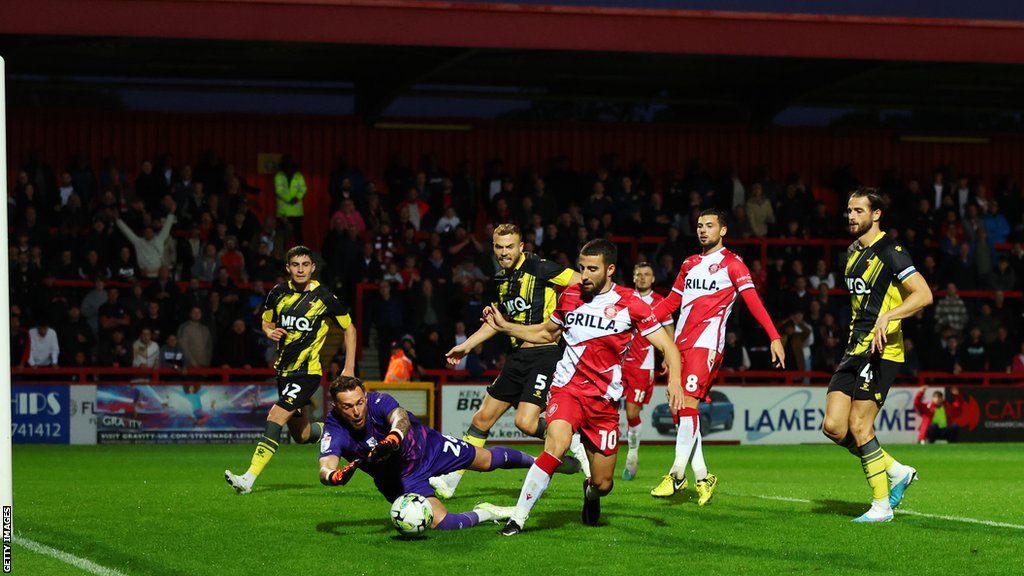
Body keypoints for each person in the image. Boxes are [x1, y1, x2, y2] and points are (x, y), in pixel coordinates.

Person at [484, 239, 681, 535]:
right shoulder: (570, 297)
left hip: (603, 402)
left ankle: (589, 493)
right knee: (556, 446)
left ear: (610, 269)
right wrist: (506, 327)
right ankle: (518, 519)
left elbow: (668, 346)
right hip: (567, 389)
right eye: (581, 268)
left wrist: (675, 380)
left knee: (603, 484)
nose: (584, 275)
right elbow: (545, 333)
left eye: (592, 269)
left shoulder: (630, 304)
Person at [431, 224, 582, 499]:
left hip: (545, 354)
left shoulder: (542, 268)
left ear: (521, 246)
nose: (504, 252)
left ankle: (571, 438)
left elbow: (583, 282)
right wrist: (465, 346)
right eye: (499, 247)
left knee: (525, 422)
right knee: (482, 418)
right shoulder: (501, 279)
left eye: (509, 246)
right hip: (516, 358)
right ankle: (450, 481)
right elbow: (497, 324)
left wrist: (566, 314)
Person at [319, 376, 578, 530]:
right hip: (401, 480)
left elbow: (399, 417)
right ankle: (487, 512)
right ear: (336, 407)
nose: (356, 411)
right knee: (443, 525)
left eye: (359, 402)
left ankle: (541, 462)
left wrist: (394, 436)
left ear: (365, 395)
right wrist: (333, 476)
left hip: (429, 447)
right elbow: (326, 465)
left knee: (486, 460)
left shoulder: (377, 401)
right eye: (348, 406)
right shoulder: (335, 428)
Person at [650, 209, 785, 504]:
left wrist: (774, 336)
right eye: (699, 226)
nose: (702, 230)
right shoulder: (689, 263)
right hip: (679, 346)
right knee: (682, 413)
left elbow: (753, 302)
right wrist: (641, 322)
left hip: (707, 345)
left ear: (722, 230)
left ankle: (675, 475)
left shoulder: (733, 264)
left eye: (709, 226)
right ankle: (702, 475)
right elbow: (673, 301)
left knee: (687, 405)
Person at [821, 188, 933, 523]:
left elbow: (924, 295)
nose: (851, 216)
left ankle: (881, 506)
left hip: (882, 350)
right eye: (849, 210)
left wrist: (890, 315)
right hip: (854, 349)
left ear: (876, 214)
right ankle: (896, 470)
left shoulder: (892, 251)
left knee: (859, 423)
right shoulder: (853, 254)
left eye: (858, 210)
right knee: (834, 427)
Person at [225, 245, 358, 495]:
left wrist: (348, 367)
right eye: (295, 265)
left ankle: (248, 478)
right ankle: (343, 433)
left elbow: (350, 329)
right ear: (288, 268)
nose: (300, 269)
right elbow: (266, 321)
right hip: (284, 373)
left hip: (307, 373)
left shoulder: (324, 297)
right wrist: (268, 331)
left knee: (275, 415)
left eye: (305, 264)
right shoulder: (277, 293)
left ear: (312, 267)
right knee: (303, 434)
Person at [620, 262, 665, 481]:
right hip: (617, 363)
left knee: (631, 413)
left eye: (647, 274)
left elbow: (668, 330)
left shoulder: (659, 303)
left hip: (641, 366)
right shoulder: (626, 298)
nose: (643, 278)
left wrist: (668, 355)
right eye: (639, 274)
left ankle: (632, 453)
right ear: (634, 277)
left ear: (653, 278)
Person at [274, 155, 306, 244]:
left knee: (297, 235)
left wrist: (297, 197)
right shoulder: (279, 176)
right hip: (283, 211)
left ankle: (299, 255)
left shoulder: (298, 176)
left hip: (296, 211)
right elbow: (279, 190)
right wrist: (291, 199)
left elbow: (303, 188)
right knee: (282, 236)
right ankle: (280, 255)